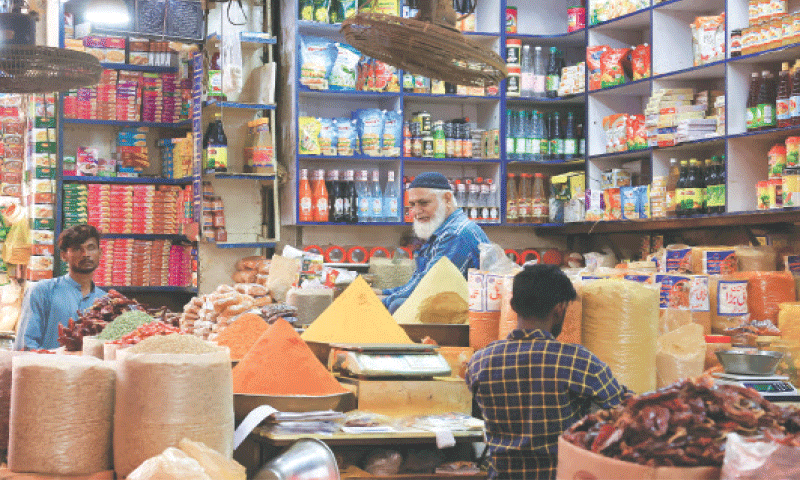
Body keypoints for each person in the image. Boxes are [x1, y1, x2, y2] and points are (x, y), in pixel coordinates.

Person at [466, 264, 631, 480]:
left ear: (513, 305)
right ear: (560, 309)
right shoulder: (577, 361)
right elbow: (627, 407)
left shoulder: (480, 362)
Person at [377, 172, 489, 313]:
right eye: (412, 205)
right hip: (449, 306)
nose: (416, 211)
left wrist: (383, 300)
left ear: (447, 199)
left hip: (466, 317)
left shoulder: (456, 234)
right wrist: (382, 292)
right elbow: (418, 281)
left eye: (424, 203)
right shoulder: (442, 232)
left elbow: (428, 286)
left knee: (397, 306)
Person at [14, 224, 106, 350]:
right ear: (64, 255)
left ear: (100, 253)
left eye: (91, 248)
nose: (86, 254)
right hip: (47, 368)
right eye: (77, 249)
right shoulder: (43, 291)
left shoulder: (105, 301)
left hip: (91, 369)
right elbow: (26, 345)